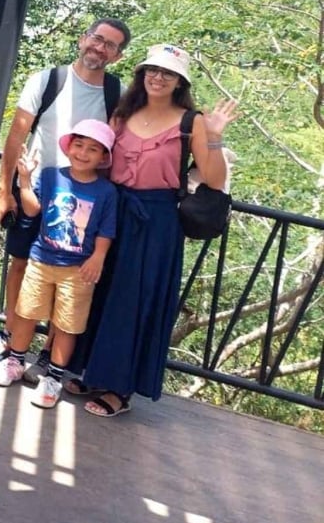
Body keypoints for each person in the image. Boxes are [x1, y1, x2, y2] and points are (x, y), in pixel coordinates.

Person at [70, 44, 238, 417]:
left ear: (179, 81)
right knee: (97, 291)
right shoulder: (124, 112)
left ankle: (119, 387)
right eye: (152, 70)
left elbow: (213, 178)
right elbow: (99, 160)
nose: (158, 78)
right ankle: (89, 369)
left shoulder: (189, 121)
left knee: (135, 300)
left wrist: (214, 135)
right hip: (114, 209)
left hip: (156, 221)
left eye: (167, 73)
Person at [0, 18, 131, 370]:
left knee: (70, 279)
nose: (100, 47)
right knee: (21, 264)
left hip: (83, 201)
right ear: (83, 39)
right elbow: (17, 136)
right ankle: (12, 333)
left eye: (110, 45)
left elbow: (115, 147)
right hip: (36, 188)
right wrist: (6, 188)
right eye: (97, 38)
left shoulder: (116, 94)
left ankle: (48, 353)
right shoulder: (48, 80)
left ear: (118, 56)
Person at [0, 119, 117, 408]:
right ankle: (16, 361)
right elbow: (32, 208)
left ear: (103, 157)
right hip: (41, 259)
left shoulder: (106, 192)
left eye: (93, 149)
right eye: (79, 145)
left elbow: (106, 230)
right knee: (26, 313)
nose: (83, 153)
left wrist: (98, 257)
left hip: (78, 269)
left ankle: (54, 378)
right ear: (68, 147)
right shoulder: (51, 177)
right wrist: (24, 179)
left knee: (67, 325)